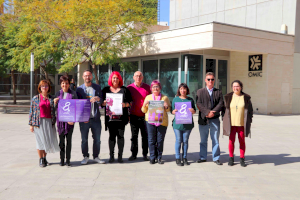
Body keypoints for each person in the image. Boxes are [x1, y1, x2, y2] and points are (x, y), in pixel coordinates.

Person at [102, 71, 132, 163]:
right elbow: (101, 104)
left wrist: (125, 105)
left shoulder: (124, 90)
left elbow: (130, 103)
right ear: (111, 79)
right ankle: (111, 156)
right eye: (114, 77)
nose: (115, 79)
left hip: (121, 118)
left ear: (120, 79)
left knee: (120, 137)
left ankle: (120, 156)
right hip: (110, 118)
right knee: (111, 137)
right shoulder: (106, 90)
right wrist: (103, 103)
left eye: (117, 78)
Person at [76, 70, 105, 165]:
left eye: (89, 75)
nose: (87, 77)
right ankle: (85, 156)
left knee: (97, 139)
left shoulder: (97, 87)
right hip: (84, 119)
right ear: (83, 77)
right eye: (85, 76)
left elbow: (101, 100)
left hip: (95, 118)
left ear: (92, 77)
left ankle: (96, 156)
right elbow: (77, 104)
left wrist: (98, 99)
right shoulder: (79, 89)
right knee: (84, 139)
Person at [29, 80, 60, 167]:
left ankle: (45, 158)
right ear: (40, 88)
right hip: (38, 122)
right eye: (43, 86)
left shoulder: (51, 98)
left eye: (46, 86)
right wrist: (31, 125)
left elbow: (54, 110)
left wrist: (55, 103)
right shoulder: (35, 98)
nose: (44, 87)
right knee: (40, 141)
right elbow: (31, 111)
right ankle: (41, 159)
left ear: (49, 87)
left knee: (46, 141)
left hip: (49, 122)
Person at [223, 80, 253, 167]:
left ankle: (242, 158)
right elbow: (224, 110)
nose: (236, 88)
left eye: (237, 86)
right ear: (232, 87)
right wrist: (224, 119)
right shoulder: (228, 97)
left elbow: (250, 111)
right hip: (231, 124)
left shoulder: (246, 97)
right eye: (234, 86)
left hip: (241, 124)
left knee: (242, 141)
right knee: (231, 141)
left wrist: (249, 121)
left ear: (241, 87)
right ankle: (231, 158)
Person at [196, 72, 224, 165]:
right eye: (208, 79)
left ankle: (216, 158)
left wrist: (213, 112)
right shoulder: (200, 91)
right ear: (205, 80)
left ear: (214, 80)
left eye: (212, 79)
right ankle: (203, 157)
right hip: (203, 119)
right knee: (203, 140)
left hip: (215, 119)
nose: (210, 81)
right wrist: (207, 112)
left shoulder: (218, 92)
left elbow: (221, 104)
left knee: (215, 139)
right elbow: (198, 103)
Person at [142, 80, 171, 165]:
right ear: (151, 88)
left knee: (160, 140)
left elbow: (168, 109)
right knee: (151, 140)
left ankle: (159, 157)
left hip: (162, 122)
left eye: (157, 86)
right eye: (153, 87)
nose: (155, 88)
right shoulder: (148, 97)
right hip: (150, 121)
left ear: (160, 88)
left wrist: (166, 106)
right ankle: (152, 157)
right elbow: (144, 111)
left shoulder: (164, 97)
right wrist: (144, 105)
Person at [54, 75, 78, 167]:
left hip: (70, 121)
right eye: (63, 83)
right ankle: (62, 159)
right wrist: (54, 102)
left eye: (66, 83)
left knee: (68, 141)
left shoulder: (73, 94)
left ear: (69, 84)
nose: (65, 85)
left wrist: (73, 120)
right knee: (61, 142)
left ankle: (68, 160)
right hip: (60, 122)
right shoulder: (57, 94)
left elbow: (76, 107)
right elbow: (54, 108)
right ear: (61, 84)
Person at [127, 71, 151, 161]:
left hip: (145, 116)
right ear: (133, 77)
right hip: (133, 115)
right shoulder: (129, 88)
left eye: (140, 76)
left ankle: (145, 154)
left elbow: (153, 98)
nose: (138, 77)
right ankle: (133, 154)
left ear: (142, 77)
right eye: (136, 76)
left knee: (145, 136)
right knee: (134, 136)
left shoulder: (148, 87)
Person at [171, 83, 196, 166]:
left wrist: (193, 111)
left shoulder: (190, 100)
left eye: (184, 89)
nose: (183, 90)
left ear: (187, 90)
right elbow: (172, 110)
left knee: (185, 141)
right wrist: (173, 112)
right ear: (179, 90)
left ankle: (184, 158)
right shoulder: (175, 99)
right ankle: (178, 158)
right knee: (178, 140)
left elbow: (194, 111)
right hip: (177, 124)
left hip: (187, 124)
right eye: (181, 89)